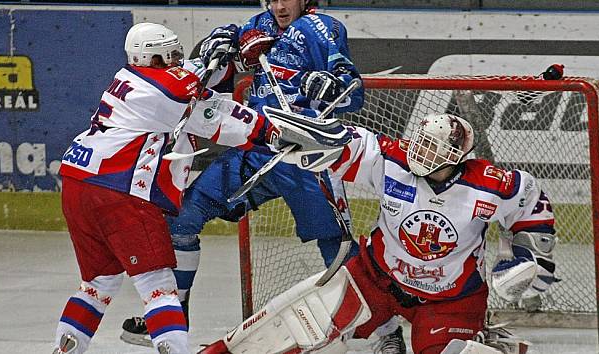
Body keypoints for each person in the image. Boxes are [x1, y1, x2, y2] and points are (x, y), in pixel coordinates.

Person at [174, 93, 558, 353]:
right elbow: (342, 142)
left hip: (450, 301)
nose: (420, 153)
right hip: (374, 279)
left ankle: (491, 342)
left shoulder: (492, 185)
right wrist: (284, 133)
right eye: (419, 142)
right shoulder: (391, 160)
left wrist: (525, 257)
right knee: (287, 325)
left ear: (456, 156)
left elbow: (531, 212)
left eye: (433, 148)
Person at [120, 0, 392, 349]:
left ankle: (385, 332)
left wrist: (328, 86)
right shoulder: (258, 24)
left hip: (306, 157)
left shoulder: (321, 28)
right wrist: (216, 44)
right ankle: (175, 314)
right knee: (181, 219)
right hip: (256, 150)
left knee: (337, 248)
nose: (279, 6)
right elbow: (209, 69)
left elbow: (352, 94)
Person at [52, 22, 229, 354]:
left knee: (97, 285)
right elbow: (196, 94)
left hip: (78, 184)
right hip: (117, 192)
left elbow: (186, 77)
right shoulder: (164, 88)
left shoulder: (131, 77)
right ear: (156, 57)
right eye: (172, 54)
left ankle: (64, 350)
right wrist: (215, 56)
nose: (178, 58)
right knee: (159, 288)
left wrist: (210, 59)